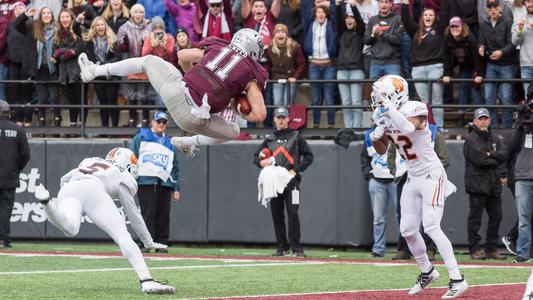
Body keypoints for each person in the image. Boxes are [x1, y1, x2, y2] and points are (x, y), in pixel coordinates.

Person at [78, 28, 268, 154]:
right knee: (234, 131)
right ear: (254, 53)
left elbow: (182, 55)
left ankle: (95, 71)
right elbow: (260, 114)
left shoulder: (218, 48)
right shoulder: (251, 74)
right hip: (192, 118)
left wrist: (193, 77)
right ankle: (188, 142)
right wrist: (235, 109)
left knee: (148, 61)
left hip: (176, 90)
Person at [370, 74, 468, 298]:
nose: (377, 99)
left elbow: (409, 128)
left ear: (395, 95)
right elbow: (383, 150)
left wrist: (388, 110)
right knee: (407, 230)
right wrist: (377, 137)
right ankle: (427, 272)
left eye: (382, 95)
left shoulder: (414, 107)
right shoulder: (382, 113)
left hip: (432, 174)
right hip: (412, 176)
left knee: (432, 226)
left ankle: (457, 278)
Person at [33, 147, 176, 294]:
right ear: (128, 163)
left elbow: (64, 178)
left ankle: (47, 204)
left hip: (69, 188)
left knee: (70, 229)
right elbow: (133, 214)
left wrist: (69, 201)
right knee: (122, 235)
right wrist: (147, 241)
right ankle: (147, 280)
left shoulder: (90, 160)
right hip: (93, 188)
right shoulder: (124, 176)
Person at [253, 107, 314, 257]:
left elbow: (309, 156)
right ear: (274, 119)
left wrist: (296, 170)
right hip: (274, 183)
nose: (281, 120)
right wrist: (262, 163)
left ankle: (297, 248)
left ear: (288, 119)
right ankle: (282, 247)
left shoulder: (297, 136)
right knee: (277, 214)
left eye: (283, 117)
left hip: (291, 182)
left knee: (293, 213)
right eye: (278, 117)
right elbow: (256, 157)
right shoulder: (269, 139)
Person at [387, 120, 445, 261]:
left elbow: (443, 157)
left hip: (428, 178)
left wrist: (434, 174)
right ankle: (404, 248)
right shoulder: (399, 130)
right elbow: (391, 154)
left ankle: (430, 249)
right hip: (406, 177)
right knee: (404, 214)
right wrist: (395, 171)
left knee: (429, 214)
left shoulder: (433, 132)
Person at [129, 111, 181, 252]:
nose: (161, 124)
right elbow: (131, 155)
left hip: (164, 183)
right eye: (159, 121)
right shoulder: (142, 137)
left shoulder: (170, 143)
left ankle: (161, 242)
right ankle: (146, 242)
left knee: (163, 214)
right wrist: (133, 176)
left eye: (164, 122)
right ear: (152, 122)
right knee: (148, 213)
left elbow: (174, 166)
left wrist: (176, 188)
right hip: (145, 181)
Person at [463, 107, 507, 260]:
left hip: (493, 184)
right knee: (475, 219)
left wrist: (492, 155)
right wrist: (496, 158)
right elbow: (480, 160)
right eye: (480, 119)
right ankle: (474, 249)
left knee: (497, 216)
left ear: (489, 120)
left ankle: (491, 249)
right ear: (475, 121)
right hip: (477, 184)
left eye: (485, 118)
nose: (483, 121)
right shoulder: (471, 139)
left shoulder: (495, 137)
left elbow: (504, 154)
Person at [478, 0, 518, 128]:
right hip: (491, 64)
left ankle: (507, 128)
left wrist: (502, 52)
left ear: (500, 8)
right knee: (489, 98)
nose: (492, 10)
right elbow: (481, 40)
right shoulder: (484, 24)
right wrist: (481, 47)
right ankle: (492, 128)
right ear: (487, 10)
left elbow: (512, 44)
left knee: (506, 97)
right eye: (490, 8)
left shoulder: (508, 21)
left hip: (507, 64)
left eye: (495, 7)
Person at [361, 124, 397, 258]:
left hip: (395, 179)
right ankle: (378, 248)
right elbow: (364, 156)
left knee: (401, 216)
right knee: (378, 218)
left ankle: (405, 249)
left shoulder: (397, 131)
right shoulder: (370, 135)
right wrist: (367, 173)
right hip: (377, 179)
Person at [0, 100, 30, 249]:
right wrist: (16, 168)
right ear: (9, 112)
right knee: (5, 208)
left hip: (8, 174)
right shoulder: (18, 130)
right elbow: (25, 154)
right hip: (9, 176)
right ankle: (3, 239)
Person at [507, 97, 533, 263]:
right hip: (523, 177)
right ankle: (522, 254)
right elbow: (511, 146)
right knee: (524, 220)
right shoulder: (522, 129)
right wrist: (520, 124)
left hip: (524, 176)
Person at [511, 0, 533, 94]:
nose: (530, 4)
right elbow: (514, 42)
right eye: (528, 1)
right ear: (524, 3)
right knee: (528, 97)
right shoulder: (520, 19)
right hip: (526, 65)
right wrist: (520, 29)